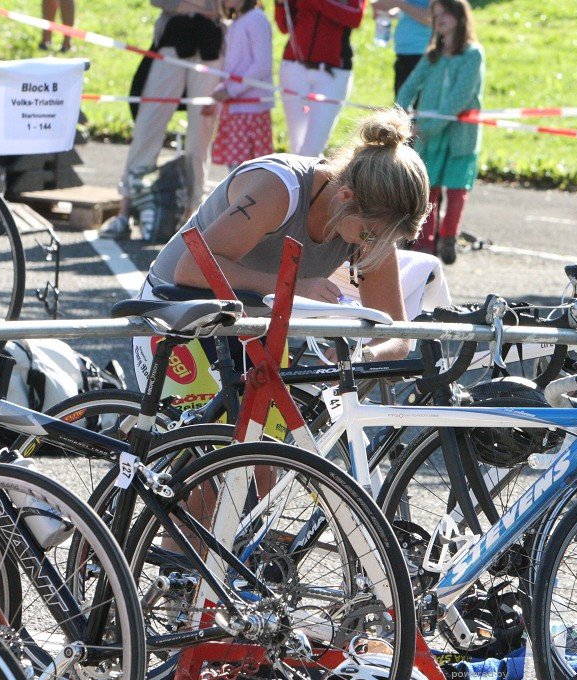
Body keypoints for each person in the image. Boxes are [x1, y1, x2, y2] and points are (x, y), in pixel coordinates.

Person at [135, 107, 430, 392]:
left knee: (267, 437)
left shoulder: (371, 220)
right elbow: (190, 271)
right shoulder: (279, 190)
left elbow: (397, 334)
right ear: (345, 196)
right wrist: (291, 288)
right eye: (371, 234)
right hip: (176, 311)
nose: (373, 245)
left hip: (248, 325)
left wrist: (362, 357)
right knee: (207, 439)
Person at [99, 0, 224, 242]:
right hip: (173, 39)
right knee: (148, 125)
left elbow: (227, 8)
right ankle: (124, 211)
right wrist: (200, 9)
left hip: (210, 45)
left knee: (200, 133)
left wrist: (204, 9)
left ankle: (192, 216)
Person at [396, 0, 484, 265]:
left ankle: (449, 238)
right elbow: (409, 86)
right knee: (428, 189)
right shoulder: (433, 53)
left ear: (459, 16)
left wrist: (429, 125)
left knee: (457, 189)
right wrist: (403, 114)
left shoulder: (473, 54)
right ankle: (424, 244)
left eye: (445, 13)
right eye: (436, 15)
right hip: (430, 135)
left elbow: (461, 96)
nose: (440, 19)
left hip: (459, 133)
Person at [274, 0, 365, 157]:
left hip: (333, 73)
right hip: (294, 67)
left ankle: (310, 179)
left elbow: (354, 18)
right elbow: (284, 26)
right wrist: (281, 4)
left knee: (311, 150)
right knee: (296, 146)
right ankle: (300, 181)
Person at [208, 0, 274, 171]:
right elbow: (234, 66)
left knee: (248, 171)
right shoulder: (237, 22)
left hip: (250, 111)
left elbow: (262, 65)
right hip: (235, 108)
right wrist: (221, 91)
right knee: (236, 171)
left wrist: (231, 90)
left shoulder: (256, 19)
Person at [371, 0, 432, 98]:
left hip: (420, 54)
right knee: (400, 102)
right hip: (403, 52)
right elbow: (409, 12)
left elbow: (431, 19)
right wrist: (388, 13)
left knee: (412, 106)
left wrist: (400, 4)